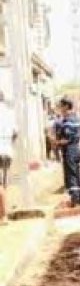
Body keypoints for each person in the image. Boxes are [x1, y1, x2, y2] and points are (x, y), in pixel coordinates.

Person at [56, 98, 80, 207]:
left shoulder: (67, 121)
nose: (60, 108)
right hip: (77, 149)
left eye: (61, 106)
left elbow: (67, 139)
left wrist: (57, 142)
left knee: (71, 175)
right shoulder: (77, 119)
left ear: (66, 106)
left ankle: (75, 199)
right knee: (78, 174)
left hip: (69, 150)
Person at [0, 92, 18, 225]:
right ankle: (4, 211)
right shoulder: (9, 113)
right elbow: (15, 133)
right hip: (7, 150)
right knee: (4, 184)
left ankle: (3, 216)